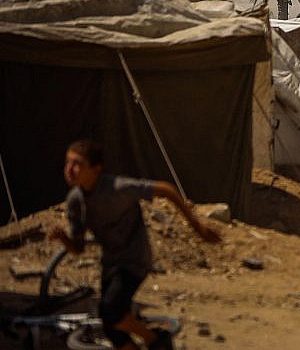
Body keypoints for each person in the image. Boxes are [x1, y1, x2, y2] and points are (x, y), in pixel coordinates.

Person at [49, 140, 220, 350]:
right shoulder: (75, 201)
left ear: (96, 169)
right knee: (114, 329)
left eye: (77, 164)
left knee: (110, 311)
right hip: (111, 264)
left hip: (134, 260)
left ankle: (154, 339)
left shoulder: (118, 188)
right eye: (68, 162)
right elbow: (79, 248)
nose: (70, 169)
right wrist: (64, 239)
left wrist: (197, 226)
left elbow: (165, 189)